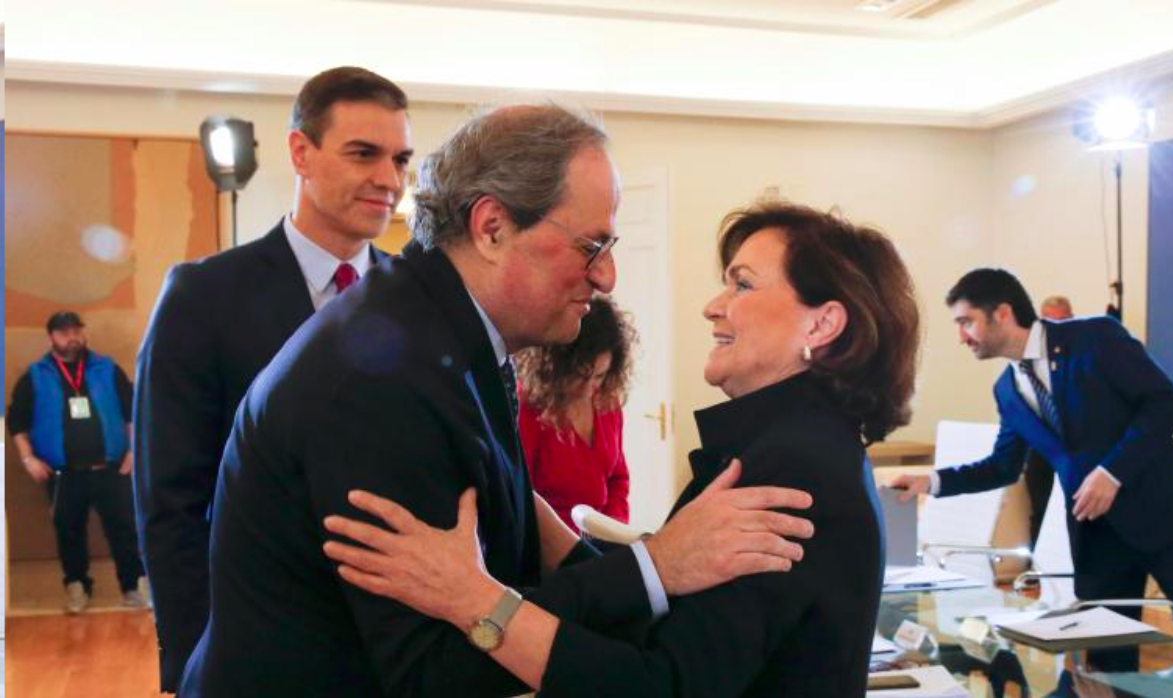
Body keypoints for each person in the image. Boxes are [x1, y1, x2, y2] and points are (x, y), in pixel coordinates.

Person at [178, 104, 815, 697]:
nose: (607, 277)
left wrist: (644, 574)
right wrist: (654, 567)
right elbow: (431, 668)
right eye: (591, 246)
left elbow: (505, 537)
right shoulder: (384, 388)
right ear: (491, 227)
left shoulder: (444, 330)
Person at [324, 200, 922, 696]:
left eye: (742, 284)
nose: (714, 305)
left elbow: (660, 684)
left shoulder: (788, 472)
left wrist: (476, 600)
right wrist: (555, 535)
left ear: (822, 326)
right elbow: (679, 622)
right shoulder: (799, 446)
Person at [132, 66, 412, 691]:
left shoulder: (420, 299)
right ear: (300, 153)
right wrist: (192, 661)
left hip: (397, 648)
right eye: (364, 153)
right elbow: (170, 503)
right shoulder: (203, 296)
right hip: (254, 651)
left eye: (400, 158)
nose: (389, 179)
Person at [892, 269, 1173, 612]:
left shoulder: (1095, 337)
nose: (962, 337)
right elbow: (1002, 467)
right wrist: (931, 481)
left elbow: (1166, 404)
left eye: (967, 322)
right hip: (1095, 535)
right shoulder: (1007, 390)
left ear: (1003, 313)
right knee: (1104, 657)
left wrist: (1112, 472)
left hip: (1166, 511)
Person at [7, 311, 148, 614]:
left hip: (110, 469)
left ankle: (133, 586)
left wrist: (133, 453)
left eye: (75, 331)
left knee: (124, 528)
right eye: (63, 332)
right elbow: (16, 421)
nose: (71, 337)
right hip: (63, 474)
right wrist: (28, 458)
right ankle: (77, 587)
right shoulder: (35, 375)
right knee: (68, 531)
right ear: (52, 337)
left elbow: (131, 412)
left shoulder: (106, 368)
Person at [516, 295, 636, 529]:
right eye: (581, 375)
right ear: (556, 366)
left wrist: (611, 531)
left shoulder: (606, 401)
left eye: (600, 375)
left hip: (601, 541)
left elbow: (618, 479)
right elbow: (522, 497)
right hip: (550, 548)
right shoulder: (529, 405)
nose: (590, 387)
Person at [1021, 294, 1075, 545]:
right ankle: (1036, 570)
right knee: (1040, 507)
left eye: (1063, 320)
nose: (1057, 327)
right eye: (1049, 321)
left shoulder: (1083, 356)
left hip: (1075, 446)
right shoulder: (1027, 359)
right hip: (1041, 446)